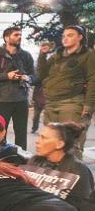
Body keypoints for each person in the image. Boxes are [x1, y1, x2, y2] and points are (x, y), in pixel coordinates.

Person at [37, 25, 95, 158]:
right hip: (51, 102)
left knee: (71, 144)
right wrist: (42, 55)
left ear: (80, 37)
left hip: (72, 102)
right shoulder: (57, 54)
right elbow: (42, 75)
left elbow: (93, 80)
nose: (65, 38)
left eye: (70, 35)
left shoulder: (88, 55)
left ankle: (73, 176)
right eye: (64, 36)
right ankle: (54, 176)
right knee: (51, 143)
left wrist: (89, 106)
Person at [0, 26, 35, 150]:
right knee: (1, 132)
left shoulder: (25, 55)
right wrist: (6, 76)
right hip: (2, 100)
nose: (19, 37)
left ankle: (20, 159)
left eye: (20, 35)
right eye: (16, 35)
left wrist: (27, 78)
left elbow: (35, 76)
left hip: (21, 100)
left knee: (21, 133)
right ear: (7, 38)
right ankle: (2, 157)